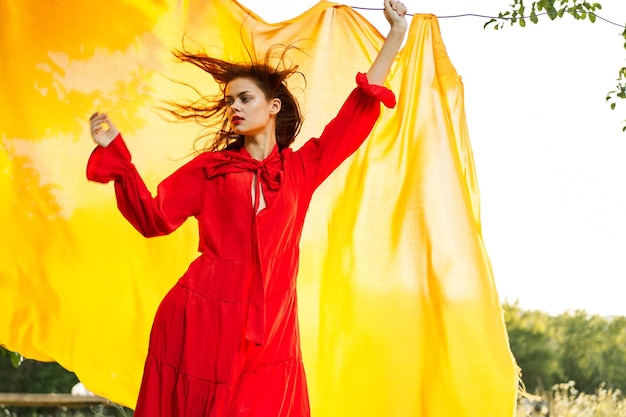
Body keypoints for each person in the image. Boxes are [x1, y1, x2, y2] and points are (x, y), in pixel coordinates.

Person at [87, 1, 407, 415]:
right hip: (201, 320)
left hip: (271, 331)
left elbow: (355, 113)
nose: (234, 107)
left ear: (273, 106)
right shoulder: (211, 170)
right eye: (230, 101)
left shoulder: (302, 167)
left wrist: (395, 35)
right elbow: (153, 219)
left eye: (244, 98)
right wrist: (116, 154)